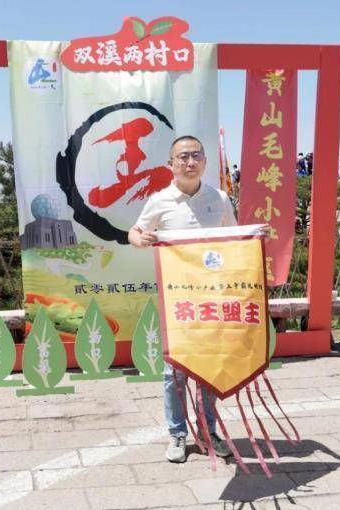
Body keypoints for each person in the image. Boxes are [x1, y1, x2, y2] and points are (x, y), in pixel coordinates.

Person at [129, 135, 236, 463]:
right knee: (173, 370)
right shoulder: (160, 201)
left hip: (212, 297)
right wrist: (141, 239)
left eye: (196, 156)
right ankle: (177, 434)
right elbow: (134, 232)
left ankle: (207, 432)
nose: (190, 162)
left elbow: (234, 239)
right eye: (183, 157)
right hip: (176, 300)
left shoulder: (219, 198)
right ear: (171, 164)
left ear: (204, 161)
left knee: (208, 368)